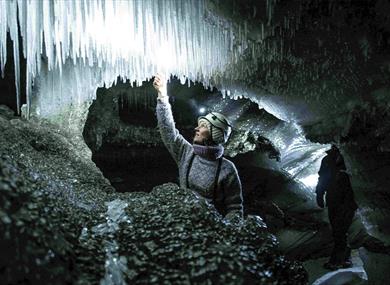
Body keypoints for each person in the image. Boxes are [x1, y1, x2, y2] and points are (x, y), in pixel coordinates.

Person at [153, 74, 243, 220]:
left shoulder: (227, 169)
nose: (196, 129)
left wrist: (224, 232)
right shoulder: (187, 153)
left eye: (203, 127)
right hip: (183, 223)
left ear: (215, 135)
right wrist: (162, 95)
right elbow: (169, 132)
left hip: (210, 229)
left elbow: (235, 208)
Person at [316, 145, 358, 270]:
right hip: (333, 199)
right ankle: (345, 258)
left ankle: (337, 260)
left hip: (347, 201)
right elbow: (322, 178)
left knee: (340, 230)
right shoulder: (327, 159)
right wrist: (319, 193)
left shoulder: (350, 157)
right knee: (338, 230)